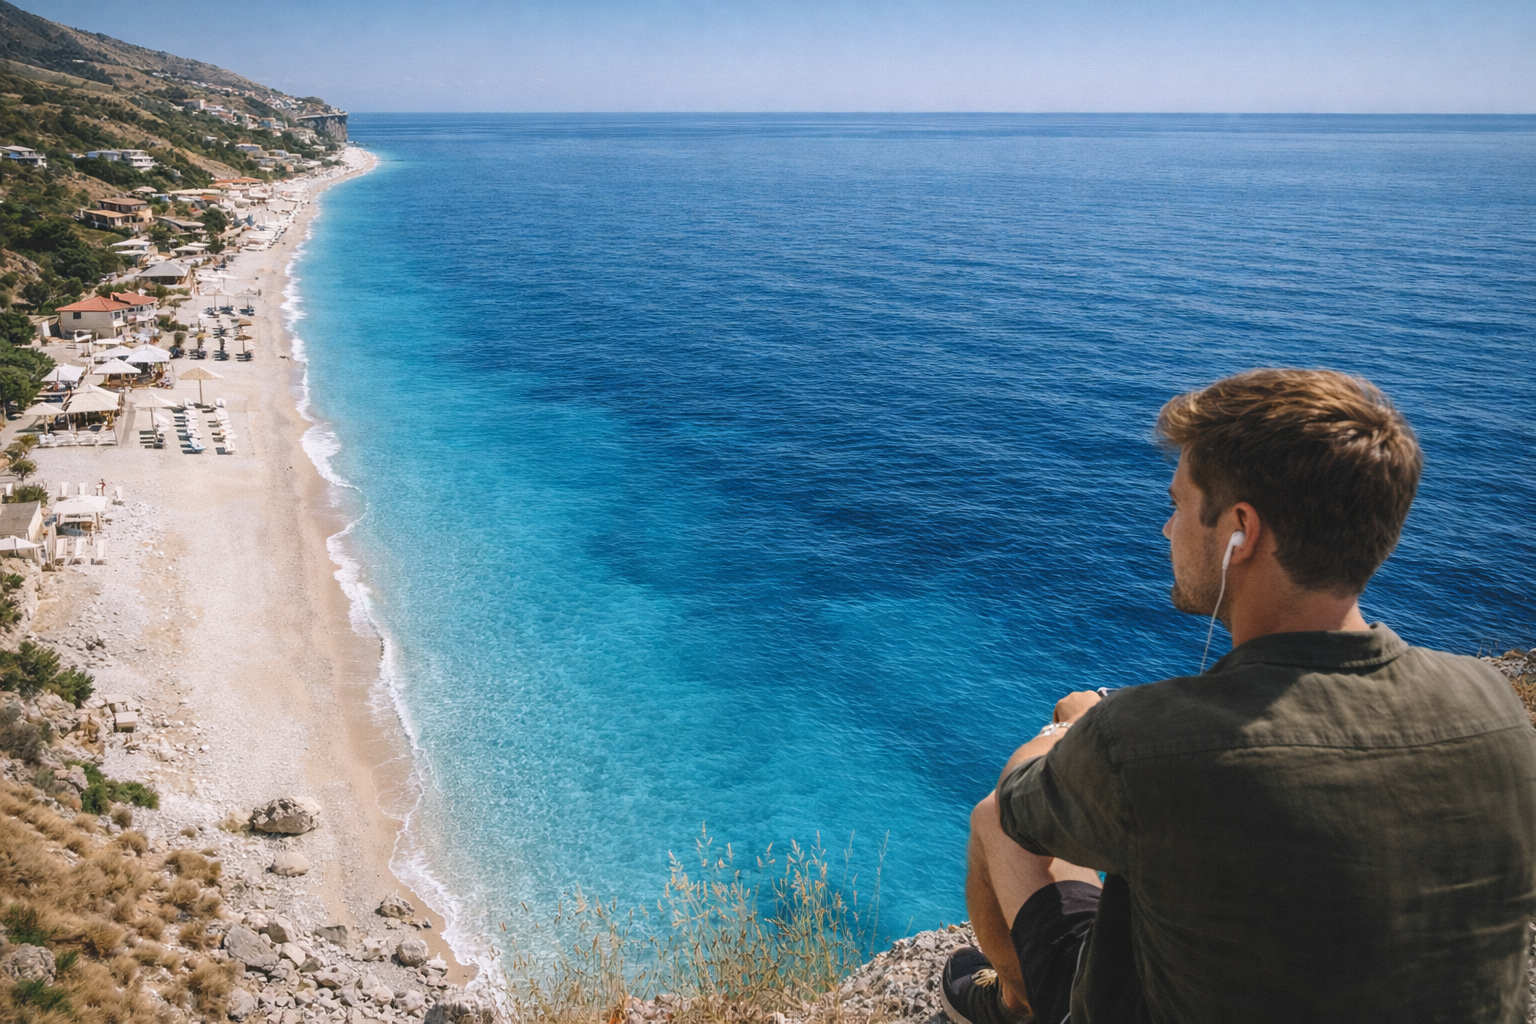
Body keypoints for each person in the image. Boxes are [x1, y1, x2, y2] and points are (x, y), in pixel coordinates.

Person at [942, 368, 1536, 1024]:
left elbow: (1019, 806)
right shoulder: (1497, 709)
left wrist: (1073, 732)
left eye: (1178, 504)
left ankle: (1016, 1000)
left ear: (1240, 532)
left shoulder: (1143, 745)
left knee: (997, 818)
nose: (1167, 531)